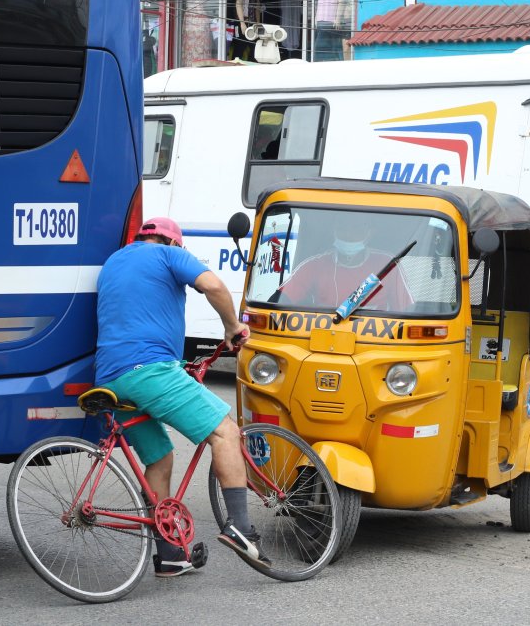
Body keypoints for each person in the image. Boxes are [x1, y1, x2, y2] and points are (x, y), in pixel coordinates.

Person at [94, 217, 257, 578]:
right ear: (173, 243)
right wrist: (232, 326)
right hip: (149, 372)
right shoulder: (169, 255)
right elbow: (212, 285)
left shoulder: (114, 261)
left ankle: (169, 554)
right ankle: (241, 527)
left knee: (160, 459)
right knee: (225, 432)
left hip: (110, 379)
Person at [278, 215, 414, 311]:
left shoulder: (387, 265)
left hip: (374, 340)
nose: (349, 235)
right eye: (342, 228)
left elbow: (406, 311)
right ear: (333, 231)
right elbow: (280, 300)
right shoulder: (315, 265)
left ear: (370, 233)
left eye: (356, 229)